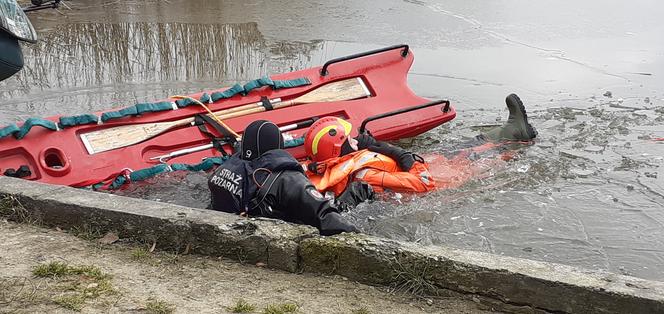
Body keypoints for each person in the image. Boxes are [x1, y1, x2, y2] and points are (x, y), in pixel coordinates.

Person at [303, 93, 537, 196]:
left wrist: (378, 148)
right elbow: (423, 183)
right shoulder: (366, 175)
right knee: (484, 156)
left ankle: (513, 131)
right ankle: (518, 138)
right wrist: (397, 152)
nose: (356, 138)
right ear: (341, 148)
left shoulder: (331, 165)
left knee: (466, 146)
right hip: (440, 177)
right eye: (350, 139)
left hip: (430, 164)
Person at [207, 120, 373, 235]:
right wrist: (359, 237)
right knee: (361, 189)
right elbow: (324, 215)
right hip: (286, 225)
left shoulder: (225, 171)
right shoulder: (288, 180)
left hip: (243, 221)